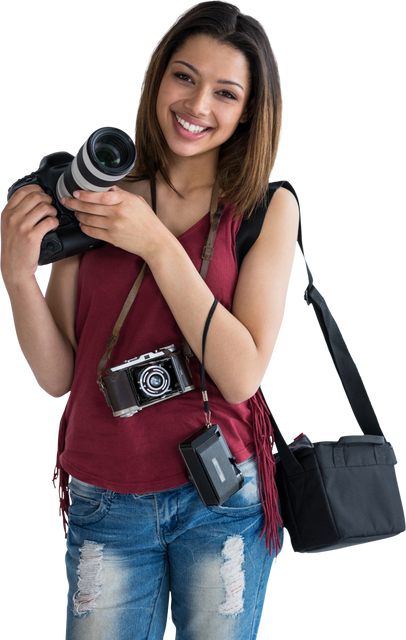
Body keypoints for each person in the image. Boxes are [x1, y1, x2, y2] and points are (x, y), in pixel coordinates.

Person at [0, 1, 300, 638]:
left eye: (225, 92)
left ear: (249, 111)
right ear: (157, 77)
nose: (197, 106)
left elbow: (242, 373)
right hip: (105, 493)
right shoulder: (95, 193)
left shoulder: (266, 209)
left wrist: (157, 243)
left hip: (221, 496)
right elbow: (58, 378)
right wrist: (16, 276)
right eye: (184, 77)